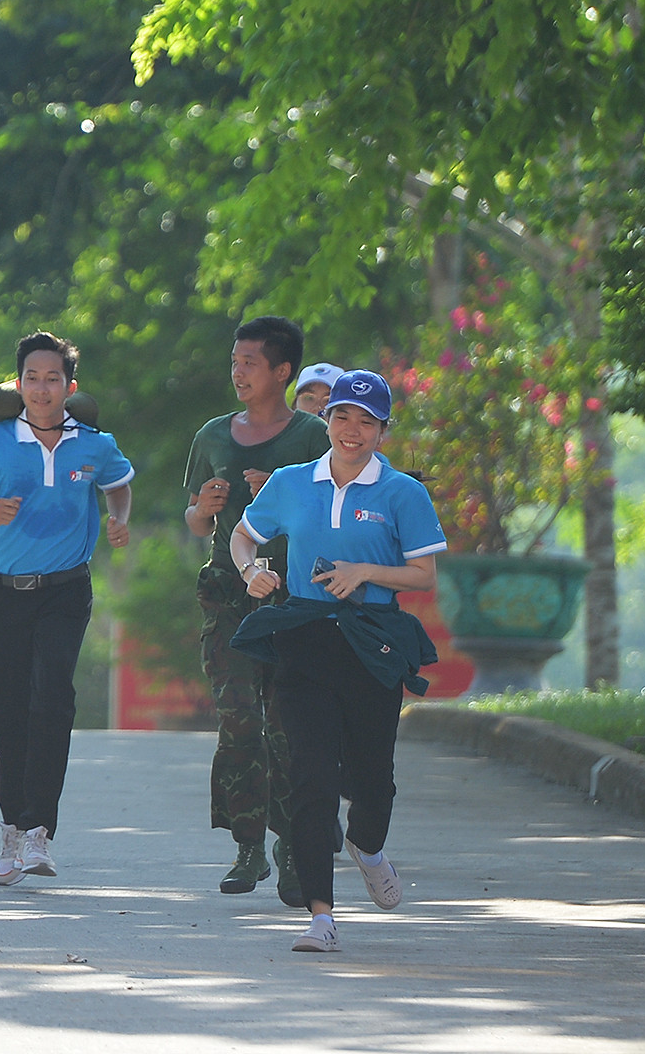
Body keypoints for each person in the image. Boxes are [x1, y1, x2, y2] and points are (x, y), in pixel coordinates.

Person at [229, 369, 445, 953]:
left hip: (372, 642)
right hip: (302, 636)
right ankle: (320, 917)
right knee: (310, 774)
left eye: (367, 421)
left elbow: (424, 574)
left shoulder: (403, 492)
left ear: (382, 430)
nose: (353, 430)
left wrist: (365, 573)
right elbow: (243, 537)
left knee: (374, 778)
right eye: (343, 417)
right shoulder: (292, 482)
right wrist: (253, 571)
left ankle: (369, 847)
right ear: (327, 420)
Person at [0, 330, 132, 886]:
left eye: (53, 379)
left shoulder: (94, 443)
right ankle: (11, 825)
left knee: (54, 697)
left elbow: (118, 484)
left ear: (69, 386)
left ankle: (39, 830)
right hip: (5, 593)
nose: (42, 389)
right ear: (18, 383)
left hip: (66, 590)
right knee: (12, 706)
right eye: (32, 378)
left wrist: (117, 516)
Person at [183, 316, 329, 904]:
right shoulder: (213, 435)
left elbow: (334, 514)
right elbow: (194, 519)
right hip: (228, 594)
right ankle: (248, 847)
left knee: (290, 726)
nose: (238, 372)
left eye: (250, 363)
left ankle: (294, 846)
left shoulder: (313, 438)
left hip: (297, 599)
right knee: (239, 717)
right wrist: (206, 507)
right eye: (235, 361)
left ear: (282, 371)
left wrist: (282, 491)